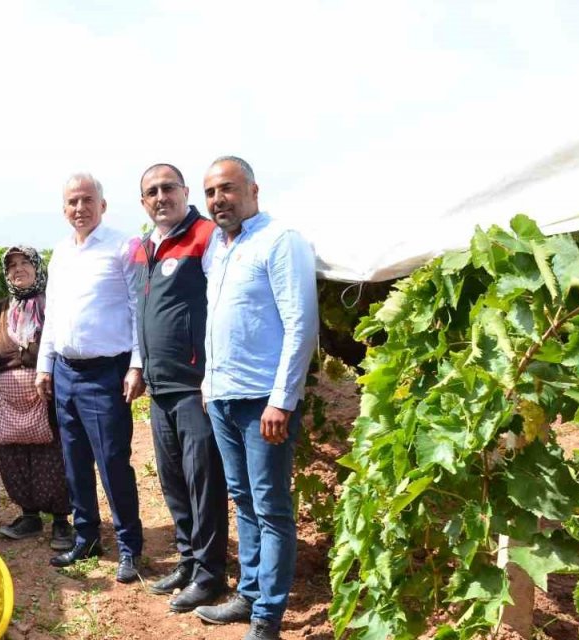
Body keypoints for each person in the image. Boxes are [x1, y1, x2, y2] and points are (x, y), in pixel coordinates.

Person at [193, 157, 318, 640]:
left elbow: (300, 325)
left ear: (253, 190)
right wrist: (208, 384)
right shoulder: (219, 250)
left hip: (263, 401)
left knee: (270, 506)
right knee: (243, 500)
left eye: (227, 188)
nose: (218, 199)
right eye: (210, 192)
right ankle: (247, 594)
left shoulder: (280, 241)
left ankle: (268, 615)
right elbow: (216, 320)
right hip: (223, 396)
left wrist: (282, 400)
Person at [36, 173, 145, 584]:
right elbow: (54, 315)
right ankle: (86, 538)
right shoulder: (60, 253)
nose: (79, 208)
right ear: (64, 209)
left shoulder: (125, 246)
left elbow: (139, 310)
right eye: (71, 202)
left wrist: (137, 365)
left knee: (113, 461)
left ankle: (130, 547)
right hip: (65, 371)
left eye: (86, 200)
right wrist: (44, 366)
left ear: (103, 204)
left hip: (106, 373)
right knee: (75, 460)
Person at [132, 163, 229, 612]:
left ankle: (211, 575)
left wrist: (211, 373)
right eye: (151, 191)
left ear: (185, 191)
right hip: (159, 385)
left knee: (203, 480)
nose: (160, 197)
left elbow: (221, 304)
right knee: (173, 481)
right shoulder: (146, 247)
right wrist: (139, 366)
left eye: (168, 188)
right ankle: (189, 561)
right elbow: (141, 313)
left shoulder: (206, 236)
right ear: (143, 201)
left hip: (195, 384)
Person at [0, 246, 75, 551]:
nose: (18, 269)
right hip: (8, 398)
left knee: (52, 456)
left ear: (37, 268)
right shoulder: (0, 310)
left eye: (25, 262)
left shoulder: (53, 307)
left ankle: (62, 521)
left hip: (44, 394)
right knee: (14, 458)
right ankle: (29, 515)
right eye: (12, 265)